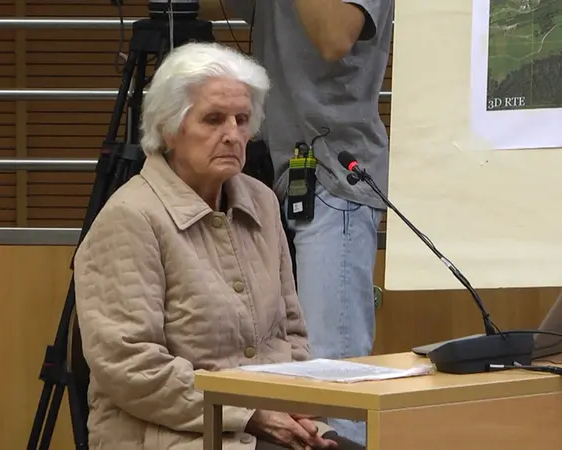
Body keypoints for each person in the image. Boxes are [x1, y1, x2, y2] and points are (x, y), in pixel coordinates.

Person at [73, 42, 364, 450]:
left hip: (267, 425)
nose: (232, 135)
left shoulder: (262, 201)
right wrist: (251, 415)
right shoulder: (130, 218)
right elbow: (129, 365)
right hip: (169, 435)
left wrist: (299, 410)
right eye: (213, 120)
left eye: (242, 120)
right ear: (168, 128)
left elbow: (292, 334)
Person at [199, 1, 394, 444]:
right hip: (264, 175)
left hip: (333, 178)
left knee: (331, 377)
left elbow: (334, 36)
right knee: (272, 367)